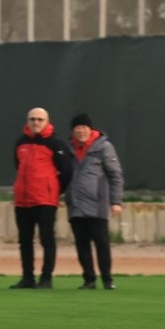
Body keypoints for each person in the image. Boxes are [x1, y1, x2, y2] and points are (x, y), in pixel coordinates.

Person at [10, 107, 75, 289]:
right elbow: (18, 166)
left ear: (47, 121)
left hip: (44, 200)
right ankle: (27, 277)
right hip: (23, 200)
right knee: (24, 240)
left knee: (46, 239)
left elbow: (67, 171)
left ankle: (46, 278)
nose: (36, 122)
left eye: (39, 119)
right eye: (32, 119)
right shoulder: (20, 143)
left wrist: (54, 190)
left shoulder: (56, 143)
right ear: (28, 121)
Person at [65, 113, 124, 290]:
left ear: (90, 129)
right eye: (77, 128)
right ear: (73, 130)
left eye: (84, 127)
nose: (81, 131)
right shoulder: (67, 149)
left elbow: (115, 175)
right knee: (82, 245)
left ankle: (107, 279)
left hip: (97, 204)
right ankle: (89, 279)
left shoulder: (104, 147)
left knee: (101, 242)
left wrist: (116, 201)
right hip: (75, 205)